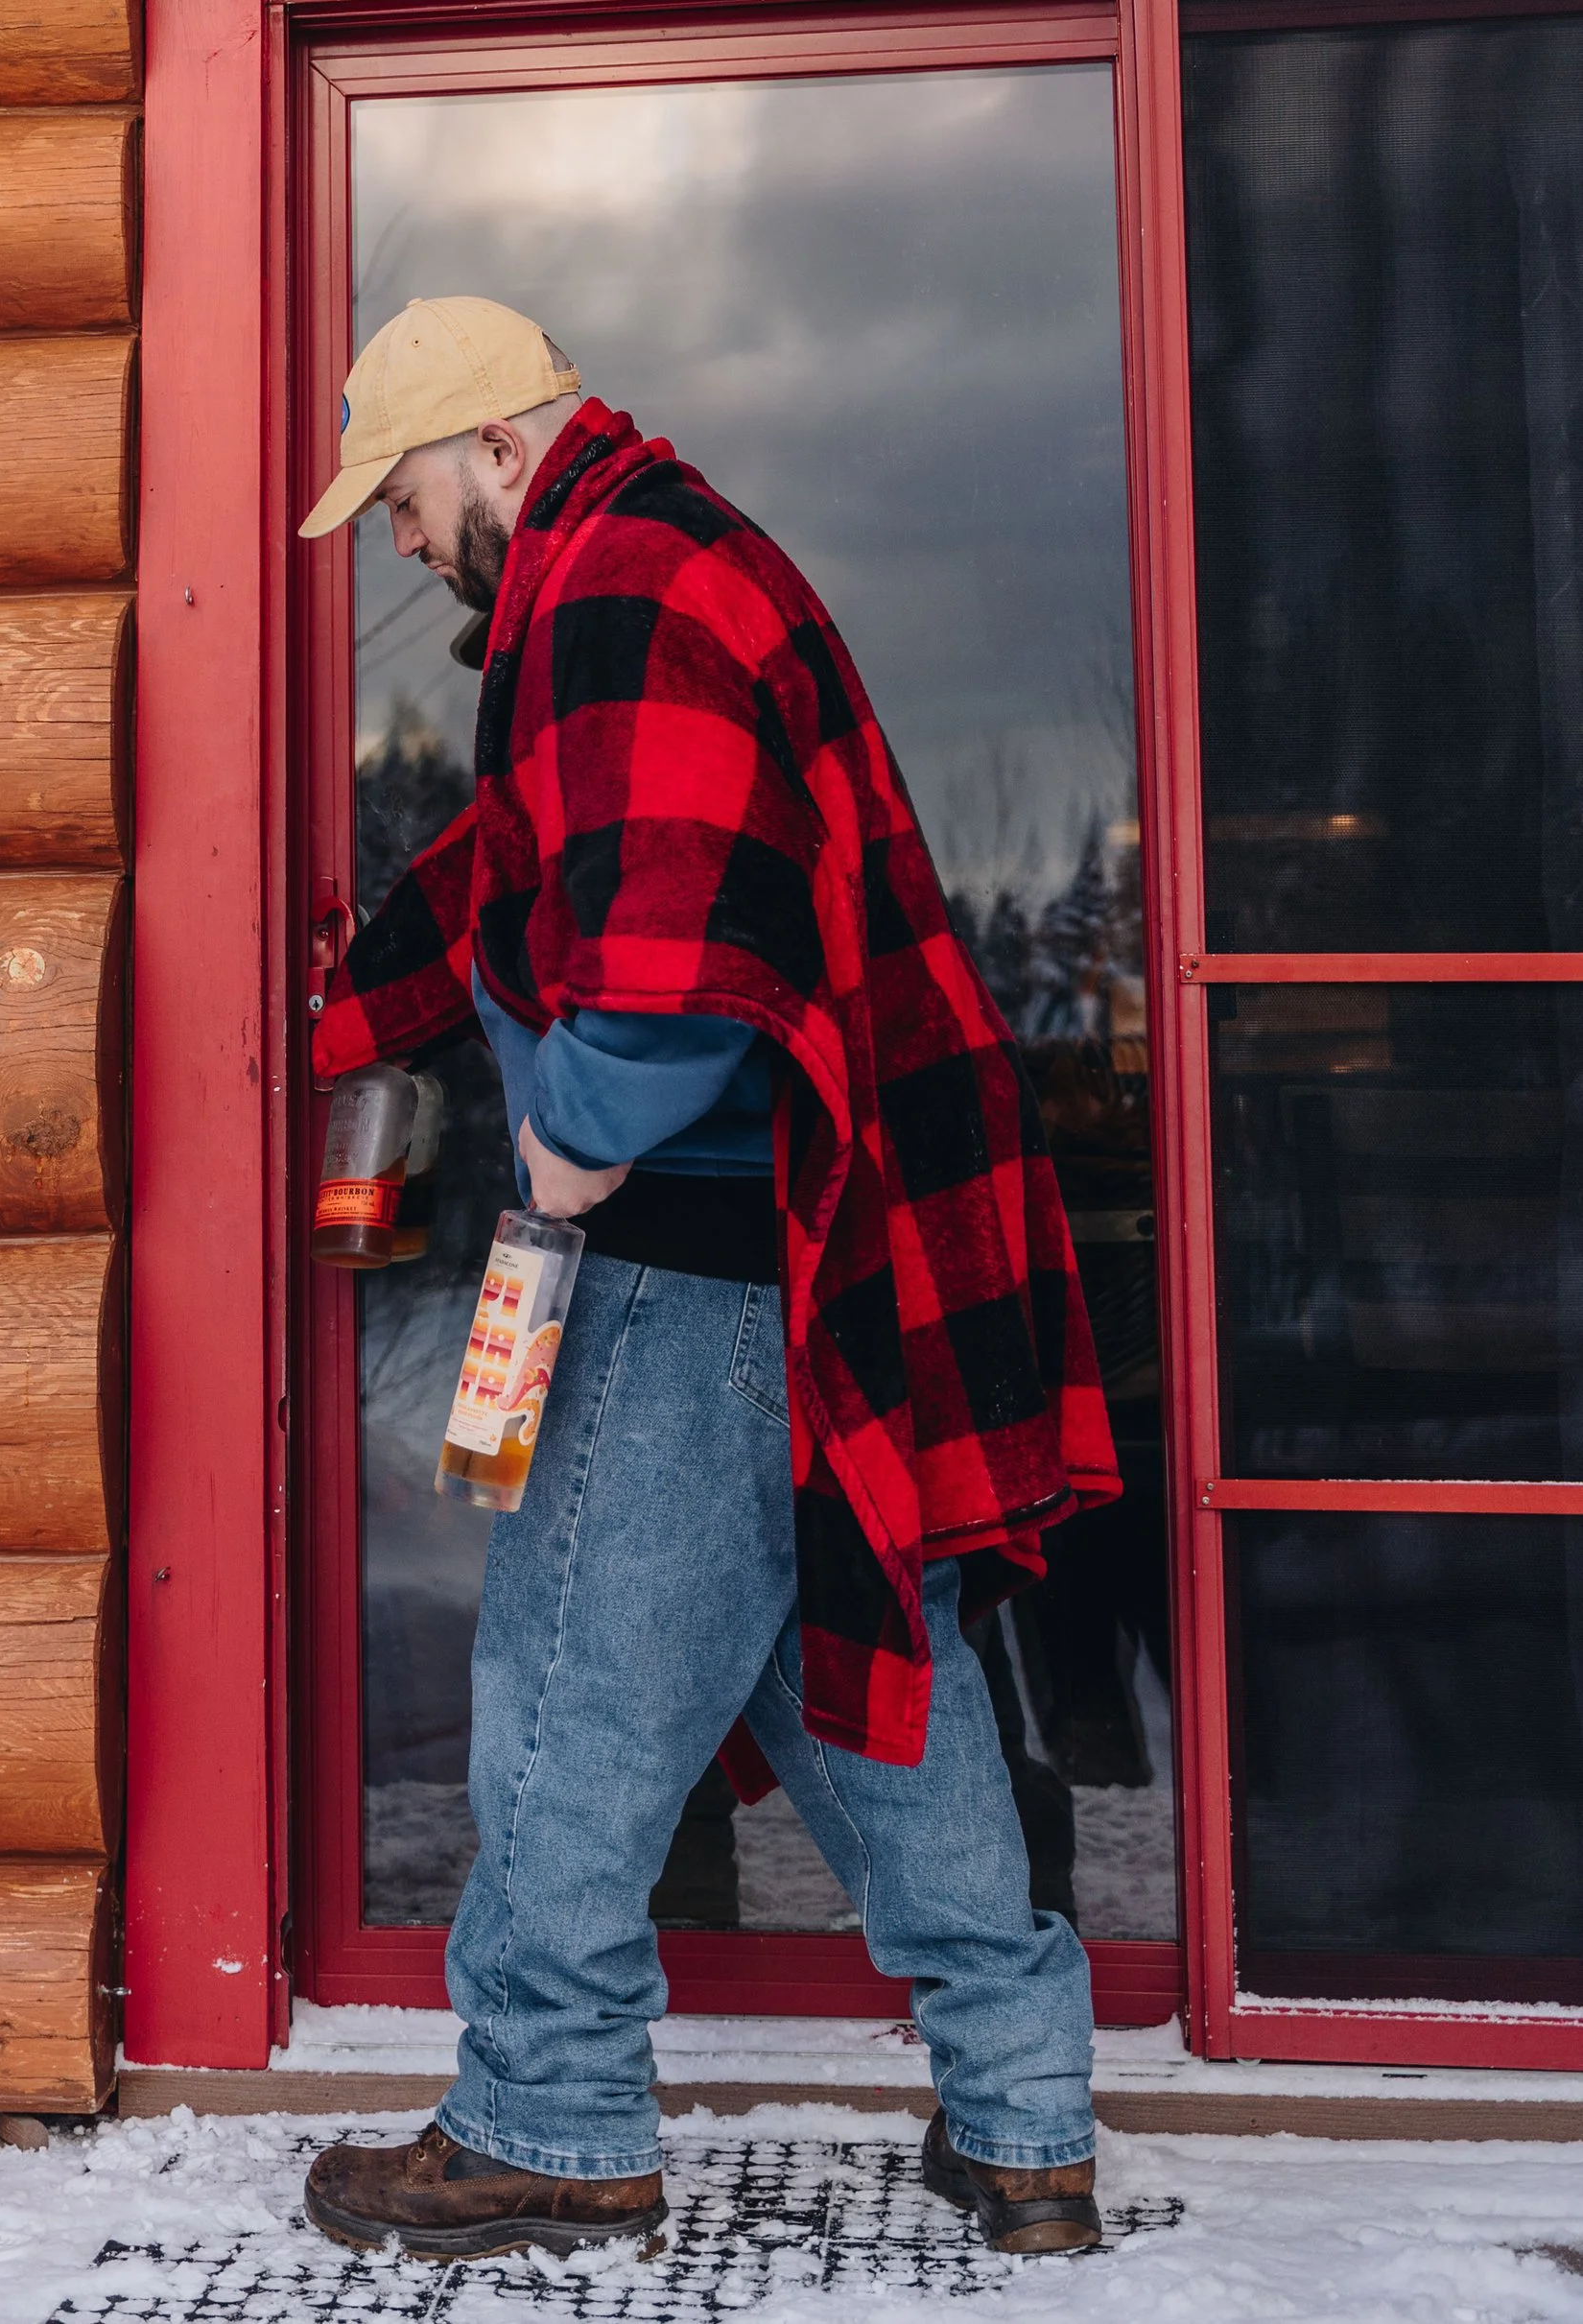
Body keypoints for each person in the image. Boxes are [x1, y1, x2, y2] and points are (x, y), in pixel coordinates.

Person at [297, 296, 1119, 2266]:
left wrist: (565, 1151)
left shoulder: (618, 585)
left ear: (497, 445)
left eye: (402, 499)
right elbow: (512, 862)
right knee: (863, 1691)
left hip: (684, 1271)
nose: (399, 550)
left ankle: (549, 2124)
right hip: (821, 1283)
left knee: (563, 1700)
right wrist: (352, 1010)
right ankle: (1025, 2123)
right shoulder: (661, 567)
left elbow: (658, 985)